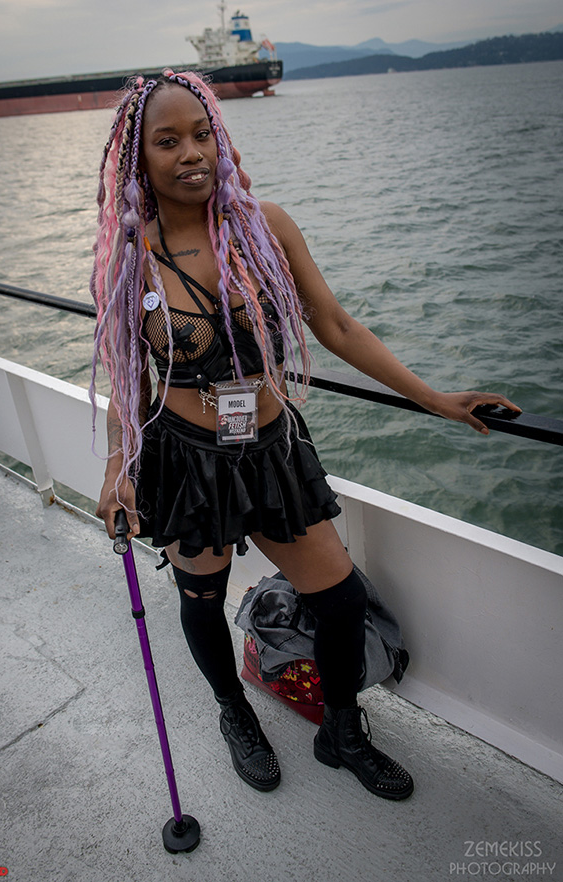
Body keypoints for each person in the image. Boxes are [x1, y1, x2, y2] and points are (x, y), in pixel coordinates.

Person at [90, 70, 520, 800]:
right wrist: (116, 471)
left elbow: (337, 326)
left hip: (272, 451)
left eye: (202, 134)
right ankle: (235, 713)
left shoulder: (266, 226)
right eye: (168, 141)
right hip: (187, 458)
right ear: (139, 159)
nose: (192, 152)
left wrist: (435, 399)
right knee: (202, 598)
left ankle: (342, 730)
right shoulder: (132, 258)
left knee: (341, 599)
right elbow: (128, 381)